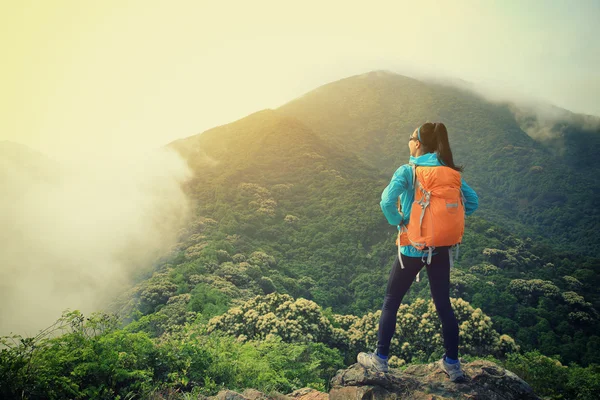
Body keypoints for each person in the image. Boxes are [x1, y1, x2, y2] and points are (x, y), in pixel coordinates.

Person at [357, 122, 479, 382]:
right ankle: (453, 365)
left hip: (411, 248)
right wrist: (446, 222)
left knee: (392, 300)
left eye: (411, 137)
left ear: (417, 143)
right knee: (443, 304)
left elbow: (386, 201)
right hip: (441, 249)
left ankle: (380, 359)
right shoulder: (450, 172)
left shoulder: (408, 171)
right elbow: (473, 202)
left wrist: (399, 219)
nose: (409, 141)